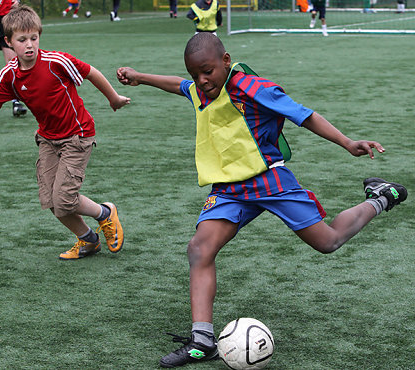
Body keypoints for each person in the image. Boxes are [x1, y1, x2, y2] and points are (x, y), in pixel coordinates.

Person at [116, 32, 408, 368]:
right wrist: (140, 77)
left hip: (270, 180)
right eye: (195, 73)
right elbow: (177, 84)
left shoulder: (252, 88)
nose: (201, 80)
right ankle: (202, 340)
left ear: (226, 61)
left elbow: (305, 115)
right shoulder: (198, 89)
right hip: (228, 190)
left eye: (208, 71)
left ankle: (381, 197)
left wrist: (347, 142)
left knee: (327, 242)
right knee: (199, 248)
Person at [0, 5, 131, 260]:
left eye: (34, 38)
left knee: (64, 199)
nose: (29, 45)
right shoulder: (10, 76)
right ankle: (88, 240)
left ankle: (105, 213)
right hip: (48, 140)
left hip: (77, 135)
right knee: (51, 201)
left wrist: (113, 98)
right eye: (22, 40)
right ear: (8, 42)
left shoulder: (55, 62)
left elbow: (90, 72)